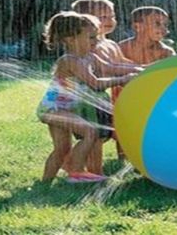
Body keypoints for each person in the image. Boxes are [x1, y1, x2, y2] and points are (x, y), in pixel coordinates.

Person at [37, 12, 136, 183]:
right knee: (89, 131)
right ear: (70, 39)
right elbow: (96, 83)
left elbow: (112, 67)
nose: (96, 41)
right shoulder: (69, 60)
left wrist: (140, 70)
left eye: (96, 37)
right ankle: (76, 173)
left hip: (67, 109)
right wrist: (125, 79)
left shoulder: (90, 57)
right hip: (54, 110)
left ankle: (44, 184)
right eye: (91, 37)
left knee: (62, 149)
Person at [70, 0, 143, 166]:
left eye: (112, 16)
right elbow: (109, 68)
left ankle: (84, 166)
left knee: (102, 134)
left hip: (99, 97)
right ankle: (92, 170)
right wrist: (132, 74)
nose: (110, 21)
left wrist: (145, 67)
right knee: (94, 135)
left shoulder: (110, 43)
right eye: (103, 17)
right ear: (84, 20)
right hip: (85, 99)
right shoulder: (90, 46)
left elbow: (123, 63)